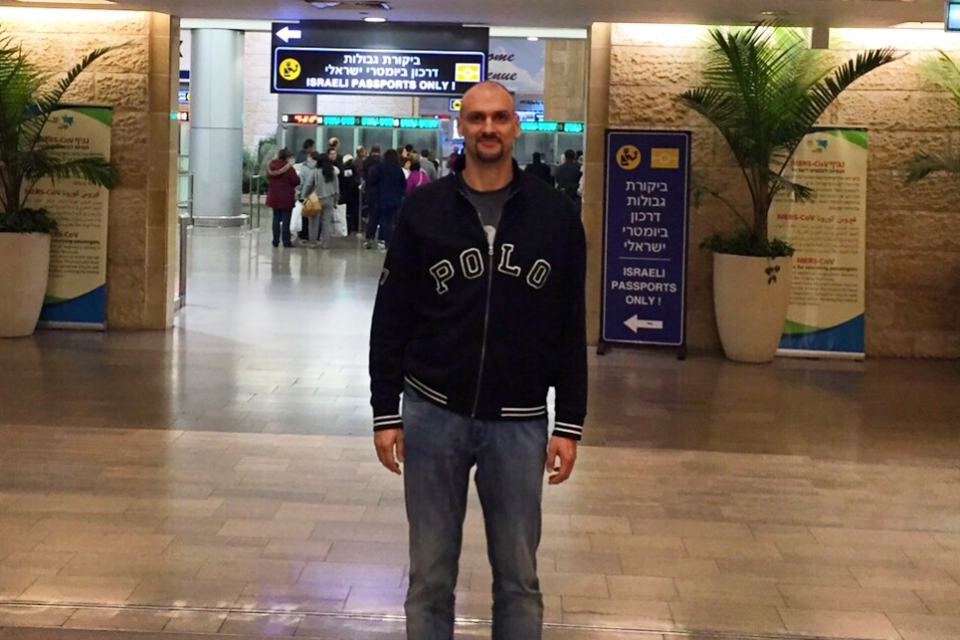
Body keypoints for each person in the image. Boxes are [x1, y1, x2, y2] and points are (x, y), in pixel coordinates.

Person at [370, 81, 587, 640]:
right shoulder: (425, 210)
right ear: (460, 126)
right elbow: (391, 314)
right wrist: (385, 410)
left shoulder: (556, 216)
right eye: (477, 118)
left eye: (500, 118)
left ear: (517, 126)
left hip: (519, 421)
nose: (488, 128)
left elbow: (570, 324)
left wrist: (569, 422)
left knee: (518, 581)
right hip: (432, 412)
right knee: (429, 579)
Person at [364, 148, 406, 249]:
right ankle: (385, 240)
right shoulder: (398, 170)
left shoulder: (379, 167)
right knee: (388, 221)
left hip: (377, 199)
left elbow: (370, 181)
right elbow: (403, 184)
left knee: (373, 219)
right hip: (393, 200)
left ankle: (369, 239)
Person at [300, 150, 340, 249]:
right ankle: (325, 243)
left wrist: (303, 196)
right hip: (329, 199)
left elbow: (308, 185)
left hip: (316, 200)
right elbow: (336, 187)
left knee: (313, 222)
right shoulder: (332, 172)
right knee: (326, 222)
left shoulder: (315, 172)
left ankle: (313, 243)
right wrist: (336, 200)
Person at [265, 148, 300, 248]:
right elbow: (296, 181)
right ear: (287, 158)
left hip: (274, 196)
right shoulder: (289, 168)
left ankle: (275, 241)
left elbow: (268, 177)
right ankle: (286, 241)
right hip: (286, 197)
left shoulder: (270, 166)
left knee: (276, 218)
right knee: (286, 220)